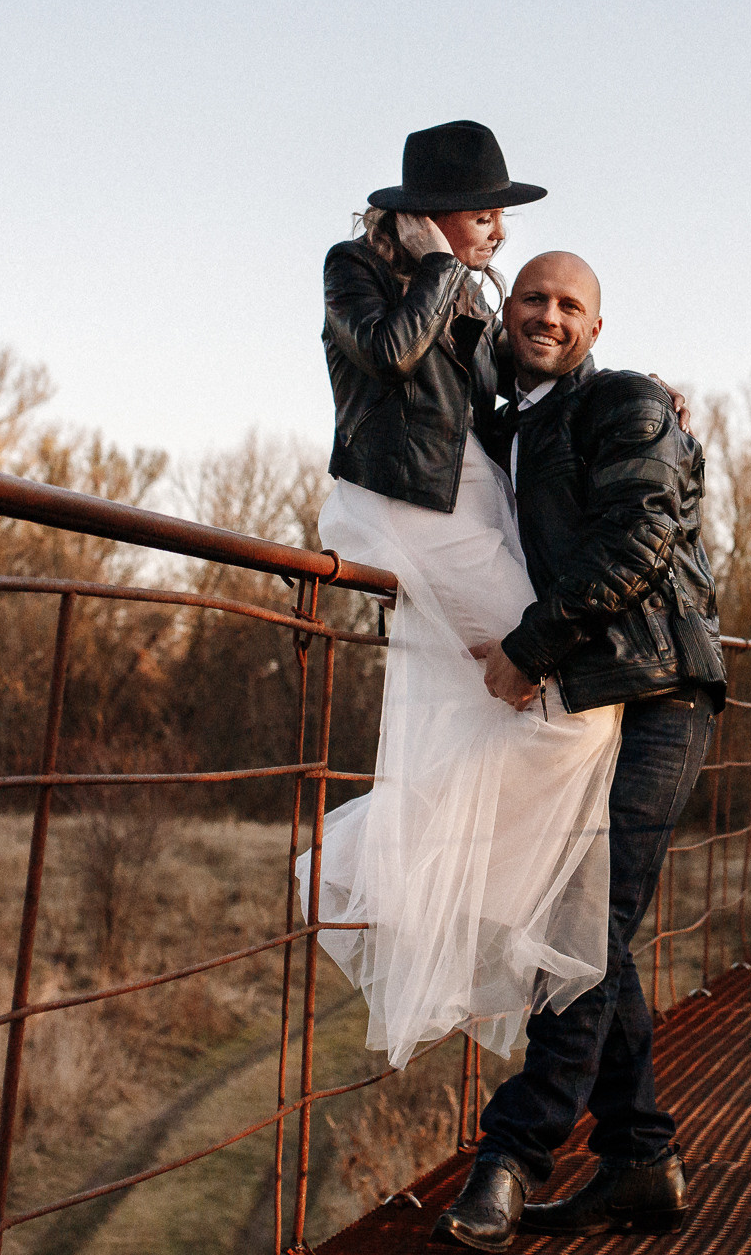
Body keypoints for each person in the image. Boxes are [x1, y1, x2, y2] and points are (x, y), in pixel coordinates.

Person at [296, 120, 623, 1072]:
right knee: (569, 696)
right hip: (407, 505)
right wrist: (442, 266)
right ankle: (372, 869)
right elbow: (391, 355)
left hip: (476, 494)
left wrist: (627, 392)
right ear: (435, 212)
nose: (498, 233)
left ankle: (417, 877)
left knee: (552, 701)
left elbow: (514, 385)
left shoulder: (469, 292)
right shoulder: (355, 266)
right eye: (487, 213)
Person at [428, 250, 726, 1252]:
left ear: (596, 328)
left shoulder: (628, 402)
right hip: (583, 698)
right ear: (506, 310)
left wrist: (526, 648)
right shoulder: (507, 423)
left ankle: (511, 1156)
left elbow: (640, 540)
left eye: (570, 304)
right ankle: (641, 1159)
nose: (547, 314)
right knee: (593, 927)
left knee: (582, 922)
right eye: (533, 297)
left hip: (657, 693)